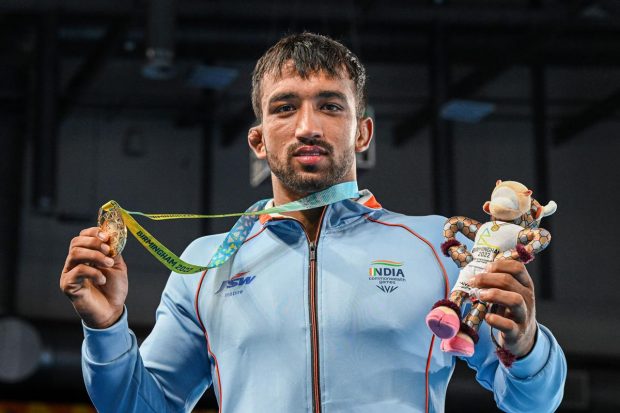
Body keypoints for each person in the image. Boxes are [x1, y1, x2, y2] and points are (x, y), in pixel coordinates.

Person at [60, 32, 566, 413]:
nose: (307, 126)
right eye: (285, 108)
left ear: (362, 132)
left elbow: (532, 403)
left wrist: (526, 345)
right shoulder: (204, 264)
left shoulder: (438, 245)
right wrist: (105, 329)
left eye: (329, 105)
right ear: (258, 141)